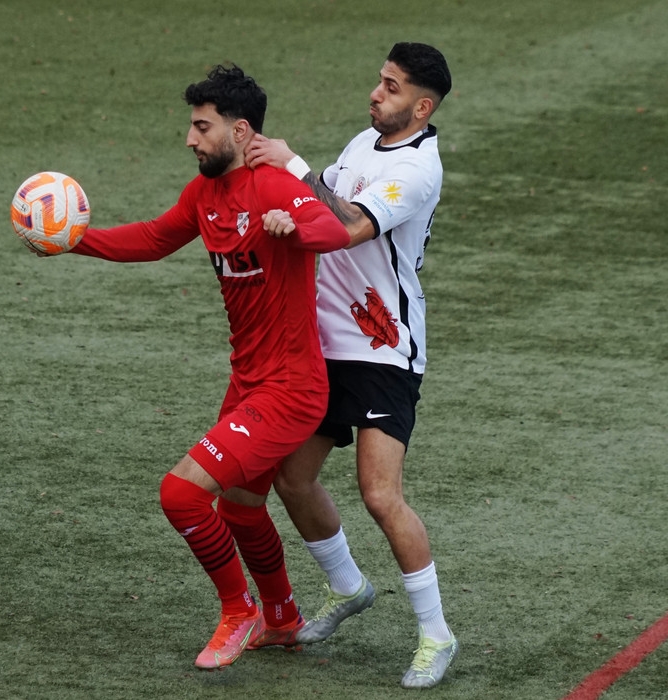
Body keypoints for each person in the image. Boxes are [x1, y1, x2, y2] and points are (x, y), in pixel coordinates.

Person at [36, 65, 351, 669]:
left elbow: (333, 229)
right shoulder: (203, 196)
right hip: (249, 384)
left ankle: (239, 611)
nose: (190, 139)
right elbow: (153, 238)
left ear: (240, 131)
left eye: (202, 127)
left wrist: (295, 225)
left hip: (291, 390)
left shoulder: (273, 186)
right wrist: (73, 239)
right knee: (239, 509)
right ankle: (283, 619)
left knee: (180, 494)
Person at [245, 42, 456, 688]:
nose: (376, 92)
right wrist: (285, 204)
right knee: (292, 477)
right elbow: (321, 202)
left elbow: (347, 226)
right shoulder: (365, 142)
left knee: (380, 494)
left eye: (392, 87)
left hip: (383, 350)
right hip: (325, 346)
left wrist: (292, 164)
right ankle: (348, 587)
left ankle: (436, 634)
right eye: (379, 80)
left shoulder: (417, 169)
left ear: (421, 107)